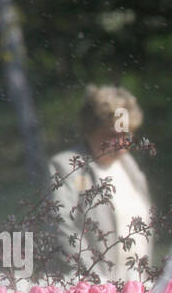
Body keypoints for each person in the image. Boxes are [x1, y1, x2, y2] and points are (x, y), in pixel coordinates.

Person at [49, 85, 153, 282]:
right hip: (91, 289)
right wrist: (98, 282)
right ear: (89, 130)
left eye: (127, 135)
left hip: (134, 288)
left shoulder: (131, 168)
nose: (122, 144)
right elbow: (61, 228)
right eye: (113, 136)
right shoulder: (65, 166)